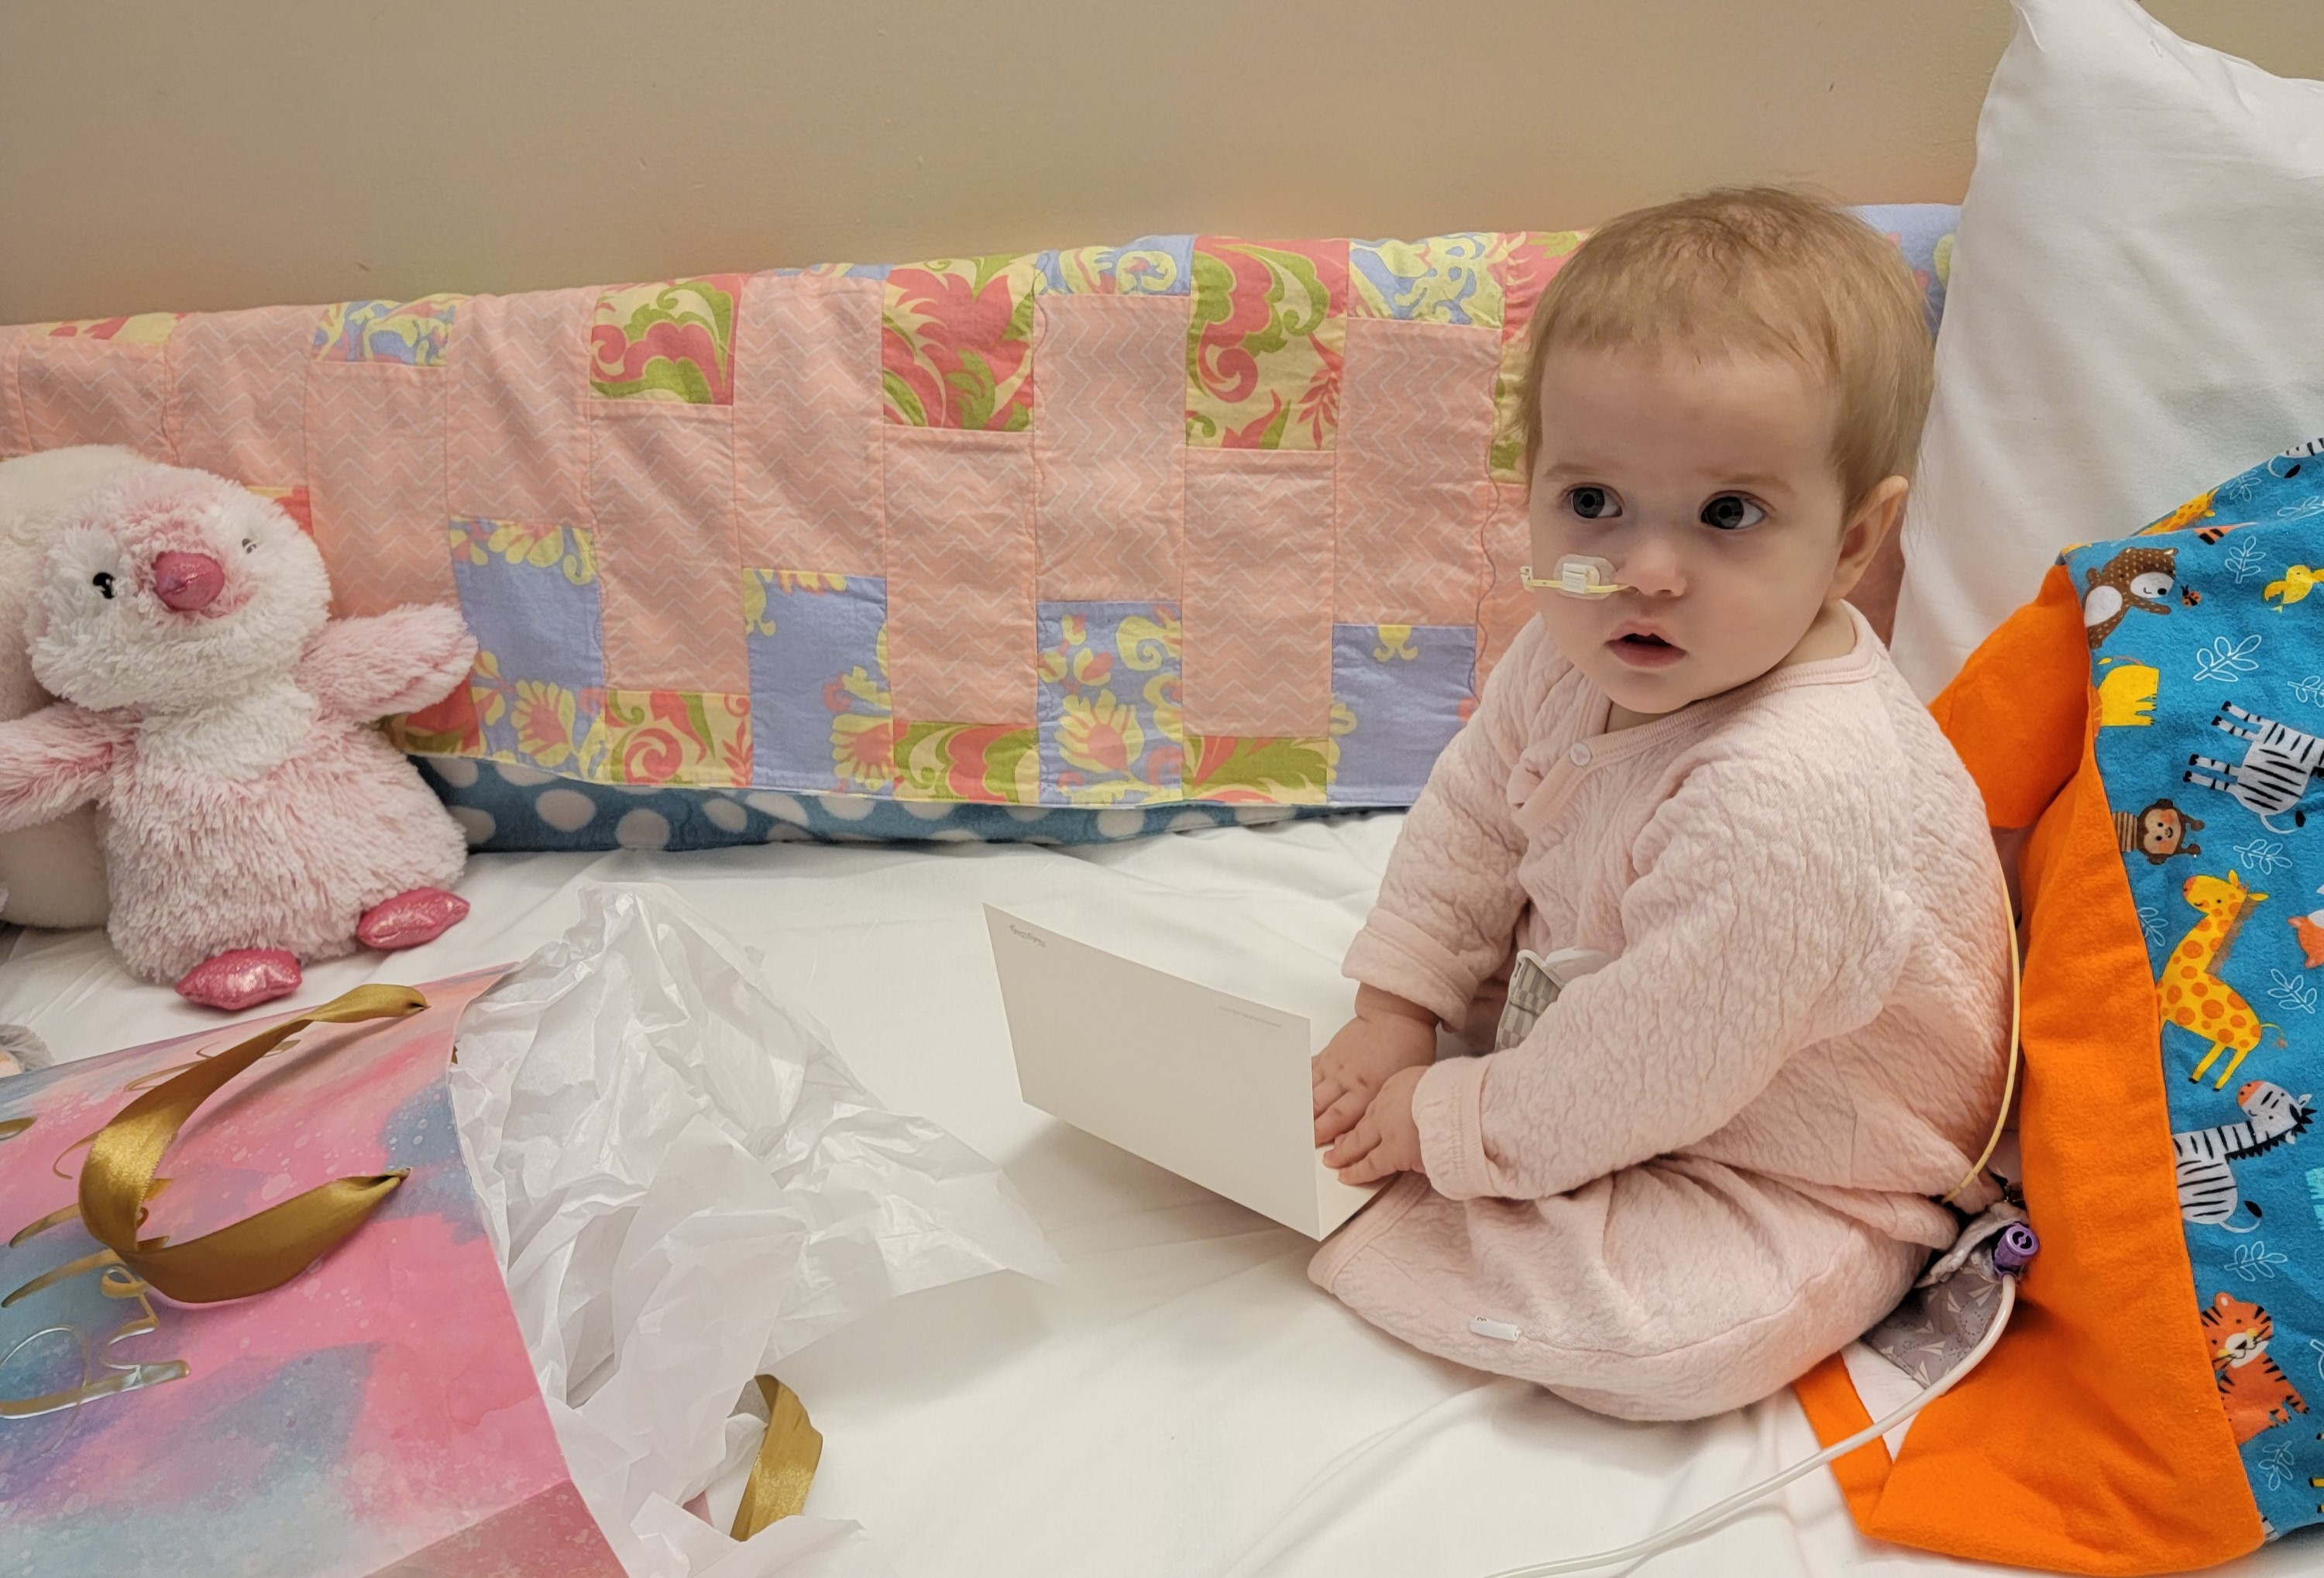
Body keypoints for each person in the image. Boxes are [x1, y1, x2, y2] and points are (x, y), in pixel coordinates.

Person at [1307, 187, 2012, 1421]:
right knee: (1439, 1044)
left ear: (1854, 543)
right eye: (1591, 505)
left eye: (1728, 515)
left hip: (1803, 1160)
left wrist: (1444, 1117)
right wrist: (1397, 1006)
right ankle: (1472, 1141)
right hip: (1623, 1023)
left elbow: (1649, 1062)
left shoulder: (1789, 791)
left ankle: (1387, 1206)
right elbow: (1472, 817)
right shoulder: (1579, 641)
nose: (1643, 570)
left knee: (1665, 1345)